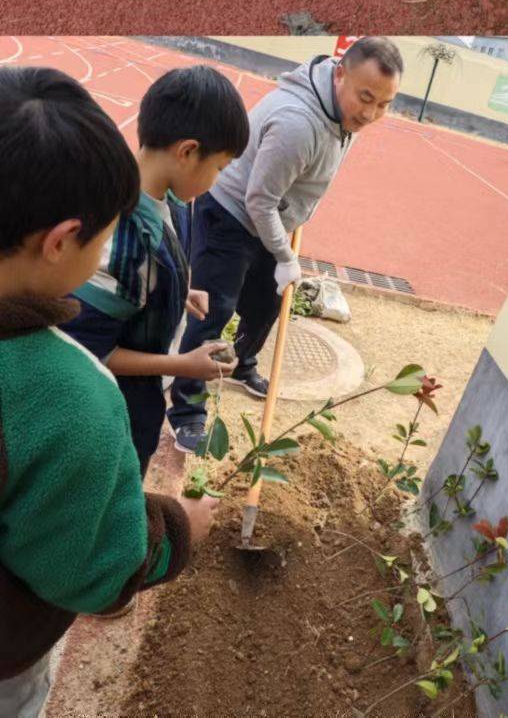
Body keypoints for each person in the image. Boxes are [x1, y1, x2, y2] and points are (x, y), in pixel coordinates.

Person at [0, 68, 213, 718]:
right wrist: (179, 529)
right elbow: (90, 568)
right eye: (100, 239)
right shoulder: (66, 398)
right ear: (61, 240)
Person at [167, 37, 403, 452]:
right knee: (213, 309)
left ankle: (243, 363)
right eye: (366, 98)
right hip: (231, 212)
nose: (370, 113)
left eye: (384, 104)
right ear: (340, 73)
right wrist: (284, 255)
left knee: (270, 299)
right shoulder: (298, 123)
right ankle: (186, 411)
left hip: (269, 218)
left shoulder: (343, 111)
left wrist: (283, 244)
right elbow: (259, 200)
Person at [60, 65, 251, 479]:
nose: (217, 181)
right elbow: (90, 351)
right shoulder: (123, 241)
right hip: (113, 410)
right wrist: (182, 364)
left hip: (137, 402)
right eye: (219, 168)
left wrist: (176, 289)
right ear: (186, 152)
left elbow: (149, 275)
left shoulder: (172, 197)